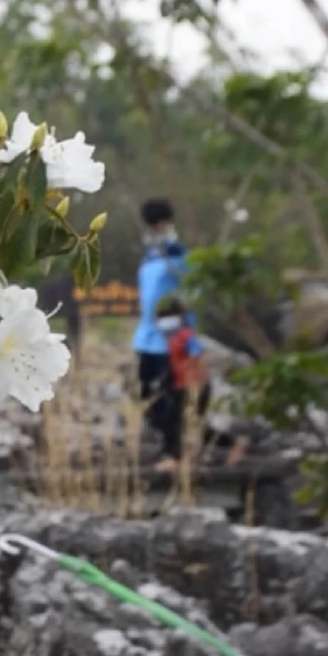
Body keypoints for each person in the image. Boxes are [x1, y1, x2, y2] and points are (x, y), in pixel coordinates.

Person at [132, 198, 198, 471]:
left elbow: (192, 295)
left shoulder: (181, 258)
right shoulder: (148, 259)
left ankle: (174, 454)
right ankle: (216, 440)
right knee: (148, 397)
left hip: (174, 339)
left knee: (174, 397)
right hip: (147, 338)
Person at [155, 295, 249, 471]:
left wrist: (194, 382)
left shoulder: (185, 336)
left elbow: (197, 353)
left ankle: (177, 457)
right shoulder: (170, 337)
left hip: (195, 385)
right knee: (175, 421)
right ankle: (176, 455)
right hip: (179, 385)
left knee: (184, 423)